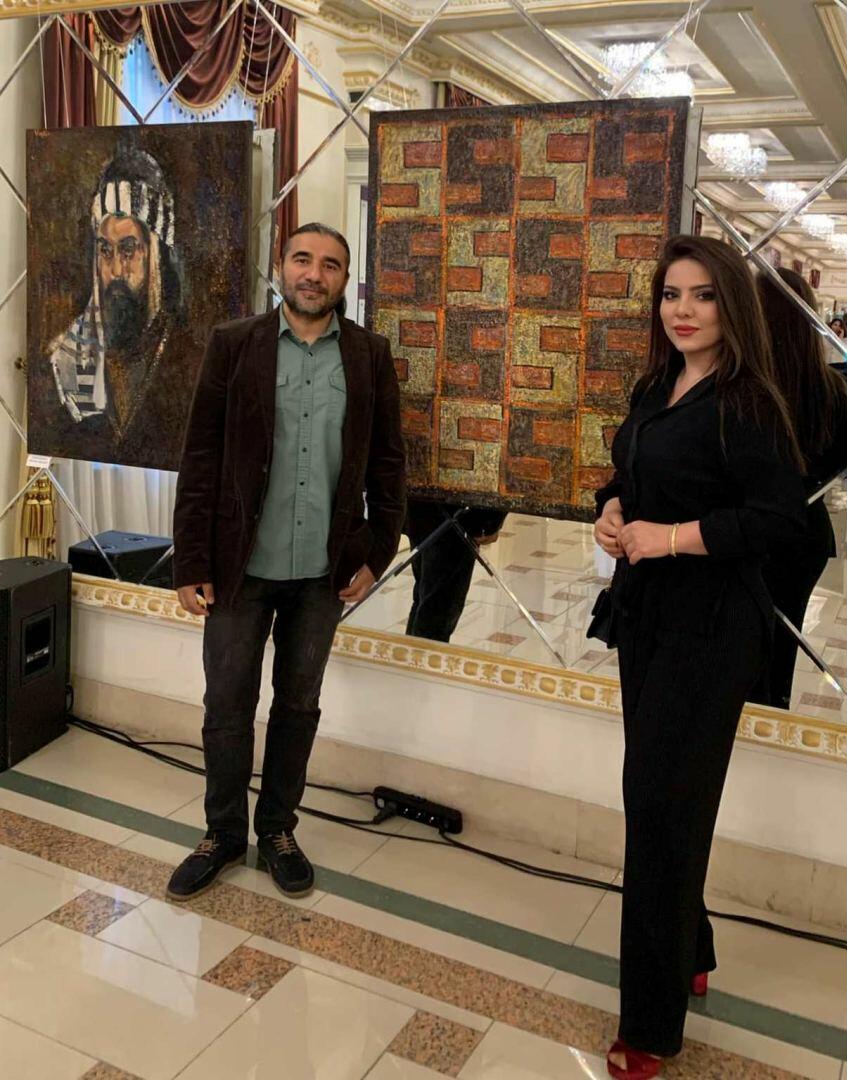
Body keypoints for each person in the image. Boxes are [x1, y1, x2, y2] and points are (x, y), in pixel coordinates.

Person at [594, 236, 805, 1078]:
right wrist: (613, 511)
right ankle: (691, 949)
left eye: (703, 295)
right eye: (671, 294)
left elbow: (781, 521)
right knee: (659, 804)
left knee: (659, 813)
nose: (682, 310)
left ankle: (648, 1026)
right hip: (644, 617)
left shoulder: (749, 403)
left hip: (711, 630)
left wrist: (672, 537)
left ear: (732, 307)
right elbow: (627, 472)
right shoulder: (656, 386)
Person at [169, 222, 406, 902]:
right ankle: (221, 833)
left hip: (322, 574)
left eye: (330, 264)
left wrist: (378, 552)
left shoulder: (368, 355)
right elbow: (200, 457)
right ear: (281, 266)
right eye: (303, 258)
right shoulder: (234, 345)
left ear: (344, 279)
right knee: (227, 705)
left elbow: (388, 464)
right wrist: (190, 559)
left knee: (298, 706)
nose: (313, 273)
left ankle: (276, 830)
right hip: (237, 568)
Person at [44, 145, 190, 468]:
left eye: (128, 250)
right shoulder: (67, 359)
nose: (115, 270)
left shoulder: (188, 355)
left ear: (154, 255)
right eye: (105, 251)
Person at [755, 270, 847, 709]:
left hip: (749, 530)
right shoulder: (830, 386)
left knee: (740, 645)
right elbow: (845, 458)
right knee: (782, 642)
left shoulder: (744, 384)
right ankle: (771, 715)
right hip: (803, 530)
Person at [403, 500, 507, 643]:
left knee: (426, 601)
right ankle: (421, 654)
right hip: (457, 517)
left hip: (423, 509)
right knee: (437, 610)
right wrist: (491, 523)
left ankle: (413, 653)